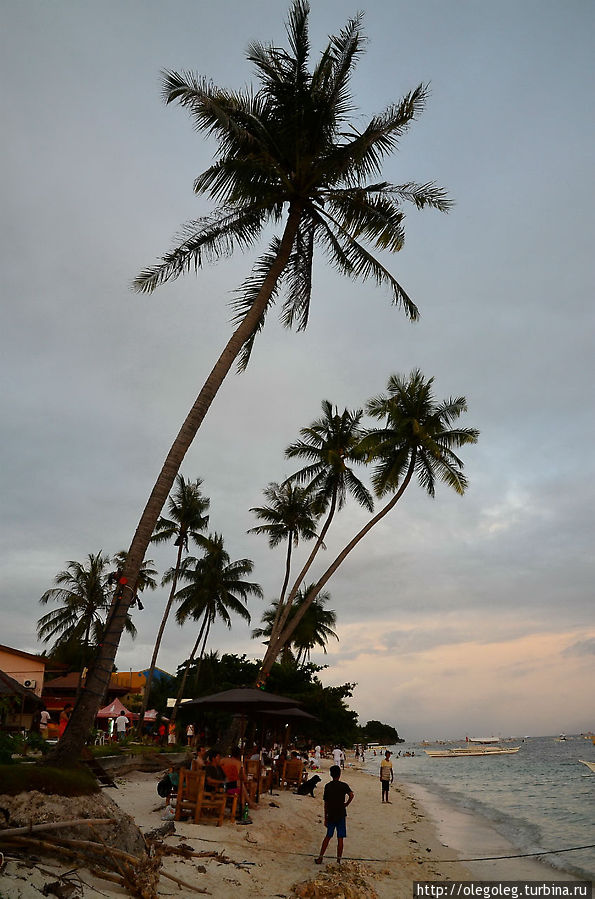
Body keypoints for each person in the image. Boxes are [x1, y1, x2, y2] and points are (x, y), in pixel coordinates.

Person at [315, 765, 354, 865]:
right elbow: (351, 795)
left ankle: (320, 857)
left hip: (331, 814)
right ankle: (338, 860)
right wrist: (346, 804)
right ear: (339, 774)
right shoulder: (343, 785)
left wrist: (325, 817)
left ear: (331, 774)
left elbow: (326, 803)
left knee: (328, 836)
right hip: (341, 813)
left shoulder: (328, 786)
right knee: (340, 838)